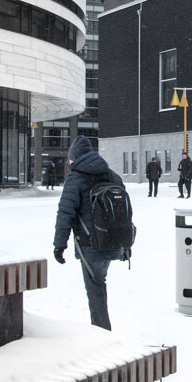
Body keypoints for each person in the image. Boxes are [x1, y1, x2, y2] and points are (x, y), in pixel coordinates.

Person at [53, 135, 127, 330]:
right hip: (112, 241)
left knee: (95, 291)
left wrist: (59, 245)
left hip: (90, 244)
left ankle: (102, 334)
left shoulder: (75, 179)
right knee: (98, 285)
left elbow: (65, 213)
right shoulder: (113, 176)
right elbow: (124, 212)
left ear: (76, 157)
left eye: (70, 158)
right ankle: (101, 331)